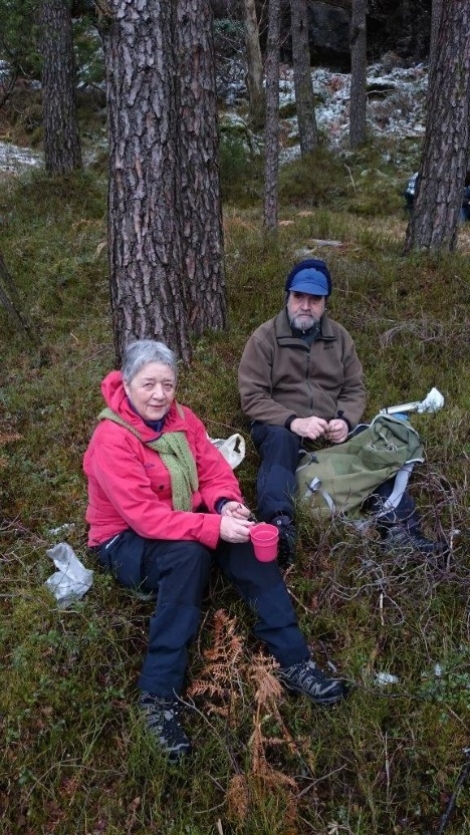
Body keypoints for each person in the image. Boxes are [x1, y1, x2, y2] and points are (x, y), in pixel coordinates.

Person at [84, 339, 348, 762]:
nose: (159, 394)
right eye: (149, 384)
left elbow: (214, 471)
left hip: (185, 519)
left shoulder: (182, 419)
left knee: (247, 539)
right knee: (189, 555)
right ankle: (158, 698)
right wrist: (212, 526)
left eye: (168, 384)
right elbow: (144, 518)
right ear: (127, 384)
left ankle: (295, 662)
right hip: (124, 539)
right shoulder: (111, 438)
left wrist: (226, 504)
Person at [238, 258, 443, 563]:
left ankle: (402, 533)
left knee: (374, 445)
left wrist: (345, 420)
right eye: (298, 296)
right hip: (281, 426)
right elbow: (252, 396)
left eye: (314, 299)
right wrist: (293, 421)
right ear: (287, 297)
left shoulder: (340, 338)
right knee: (279, 440)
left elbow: (354, 389)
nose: (305, 306)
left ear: (325, 303)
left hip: (330, 430)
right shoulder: (264, 338)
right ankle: (280, 525)